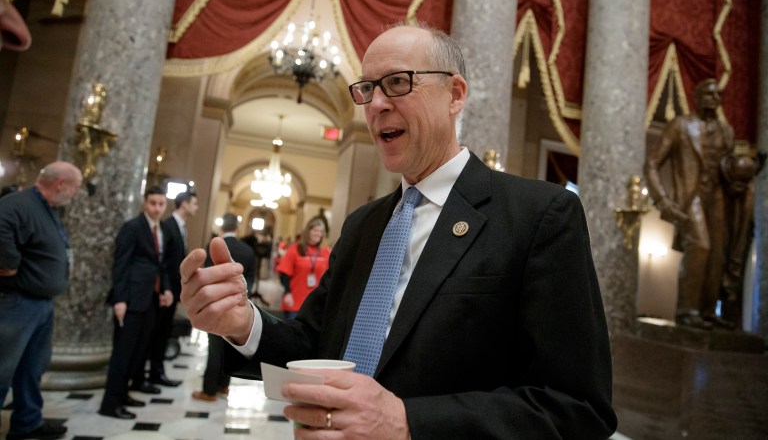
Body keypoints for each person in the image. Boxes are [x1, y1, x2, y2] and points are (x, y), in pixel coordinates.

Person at [180, 23, 616, 438]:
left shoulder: (540, 215)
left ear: (455, 94)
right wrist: (244, 325)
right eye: (367, 88)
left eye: (398, 82)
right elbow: (315, 343)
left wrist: (410, 424)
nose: (375, 104)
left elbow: (577, 408)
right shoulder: (362, 225)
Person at [645, 78, 749, 330]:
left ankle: (707, 310)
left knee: (716, 254)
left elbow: (725, 167)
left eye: (718, 95)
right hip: (690, 197)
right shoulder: (680, 126)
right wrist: (662, 200)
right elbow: (652, 163)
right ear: (698, 97)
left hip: (718, 197)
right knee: (700, 246)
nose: (715, 100)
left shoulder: (727, 132)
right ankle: (687, 309)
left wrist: (739, 178)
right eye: (710, 95)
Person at [0, 161, 82, 440]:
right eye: (75, 188)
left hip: (41, 303)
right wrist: (8, 263)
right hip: (18, 303)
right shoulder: (18, 203)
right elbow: (1, 228)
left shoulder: (48, 208)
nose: (75, 194)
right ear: (61, 184)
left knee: (32, 367)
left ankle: (27, 422)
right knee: (2, 369)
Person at [99, 186, 174, 420]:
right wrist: (120, 299)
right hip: (131, 299)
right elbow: (120, 265)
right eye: (153, 203)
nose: (157, 208)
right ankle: (110, 404)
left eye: (161, 204)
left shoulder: (160, 229)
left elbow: (160, 264)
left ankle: (123, 395)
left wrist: (167, 288)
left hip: (150, 299)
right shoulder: (132, 227)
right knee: (123, 354)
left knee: (138, 353)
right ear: (144, 203)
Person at [191, 213, 255, 402]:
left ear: (222, 227)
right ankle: (223, 386)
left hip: (216, 303)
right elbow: (250, 278)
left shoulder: (211, 248)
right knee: (231, 347)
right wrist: (240, 296)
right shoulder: (247, 250)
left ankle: (209, 390)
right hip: (238, 303)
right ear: (237, 227)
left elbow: (206, 277)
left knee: (215, 349)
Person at [143, 191, 198, 388]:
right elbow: (164, 261)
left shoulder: (180, 226)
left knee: (163, 332)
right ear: (184, 204)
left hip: (173, 290)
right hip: (163, 291)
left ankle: (157, 372)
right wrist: (166, 288)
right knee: (156, 333)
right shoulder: (168, 225)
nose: (196, 207)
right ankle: (152, 373)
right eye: (194, 203)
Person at [277, 217, 331, 319]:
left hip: (316, 304)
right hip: (294, 301)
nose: (318, 234)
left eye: (320, 231)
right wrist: (287, 293)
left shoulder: (325, 252)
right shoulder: (295, 249)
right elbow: (285, 274)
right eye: (315, 230)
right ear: (308, 231)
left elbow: (330, 276)